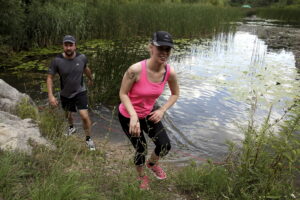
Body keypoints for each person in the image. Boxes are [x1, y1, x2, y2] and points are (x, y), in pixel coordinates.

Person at [118, 31, 180, 189]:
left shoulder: (169, 72)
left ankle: (151, 165)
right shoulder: (135, 70)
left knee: (165, 145)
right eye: (161, 48)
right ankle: (141, 177)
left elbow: (175, 94)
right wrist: (133, 116)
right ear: (151, 47)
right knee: (141, 148)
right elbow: (123, 94)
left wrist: (162, 110)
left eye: (168, 49)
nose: (164, 52)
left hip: (149, 113)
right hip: (128, 115)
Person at [47, 35, 96, 151]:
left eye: (71, 45)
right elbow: (49, 78)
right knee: (68, 115)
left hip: (80, 91)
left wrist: (90, 78)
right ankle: (71, 128)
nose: (68, 48)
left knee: (84, 116)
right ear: (63, 46)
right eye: (66, 45)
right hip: (65, 93)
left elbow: (85, 68)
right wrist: (50, 95)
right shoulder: (57, 61)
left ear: (75, 46)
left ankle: (88, 139)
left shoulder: (82, 58)